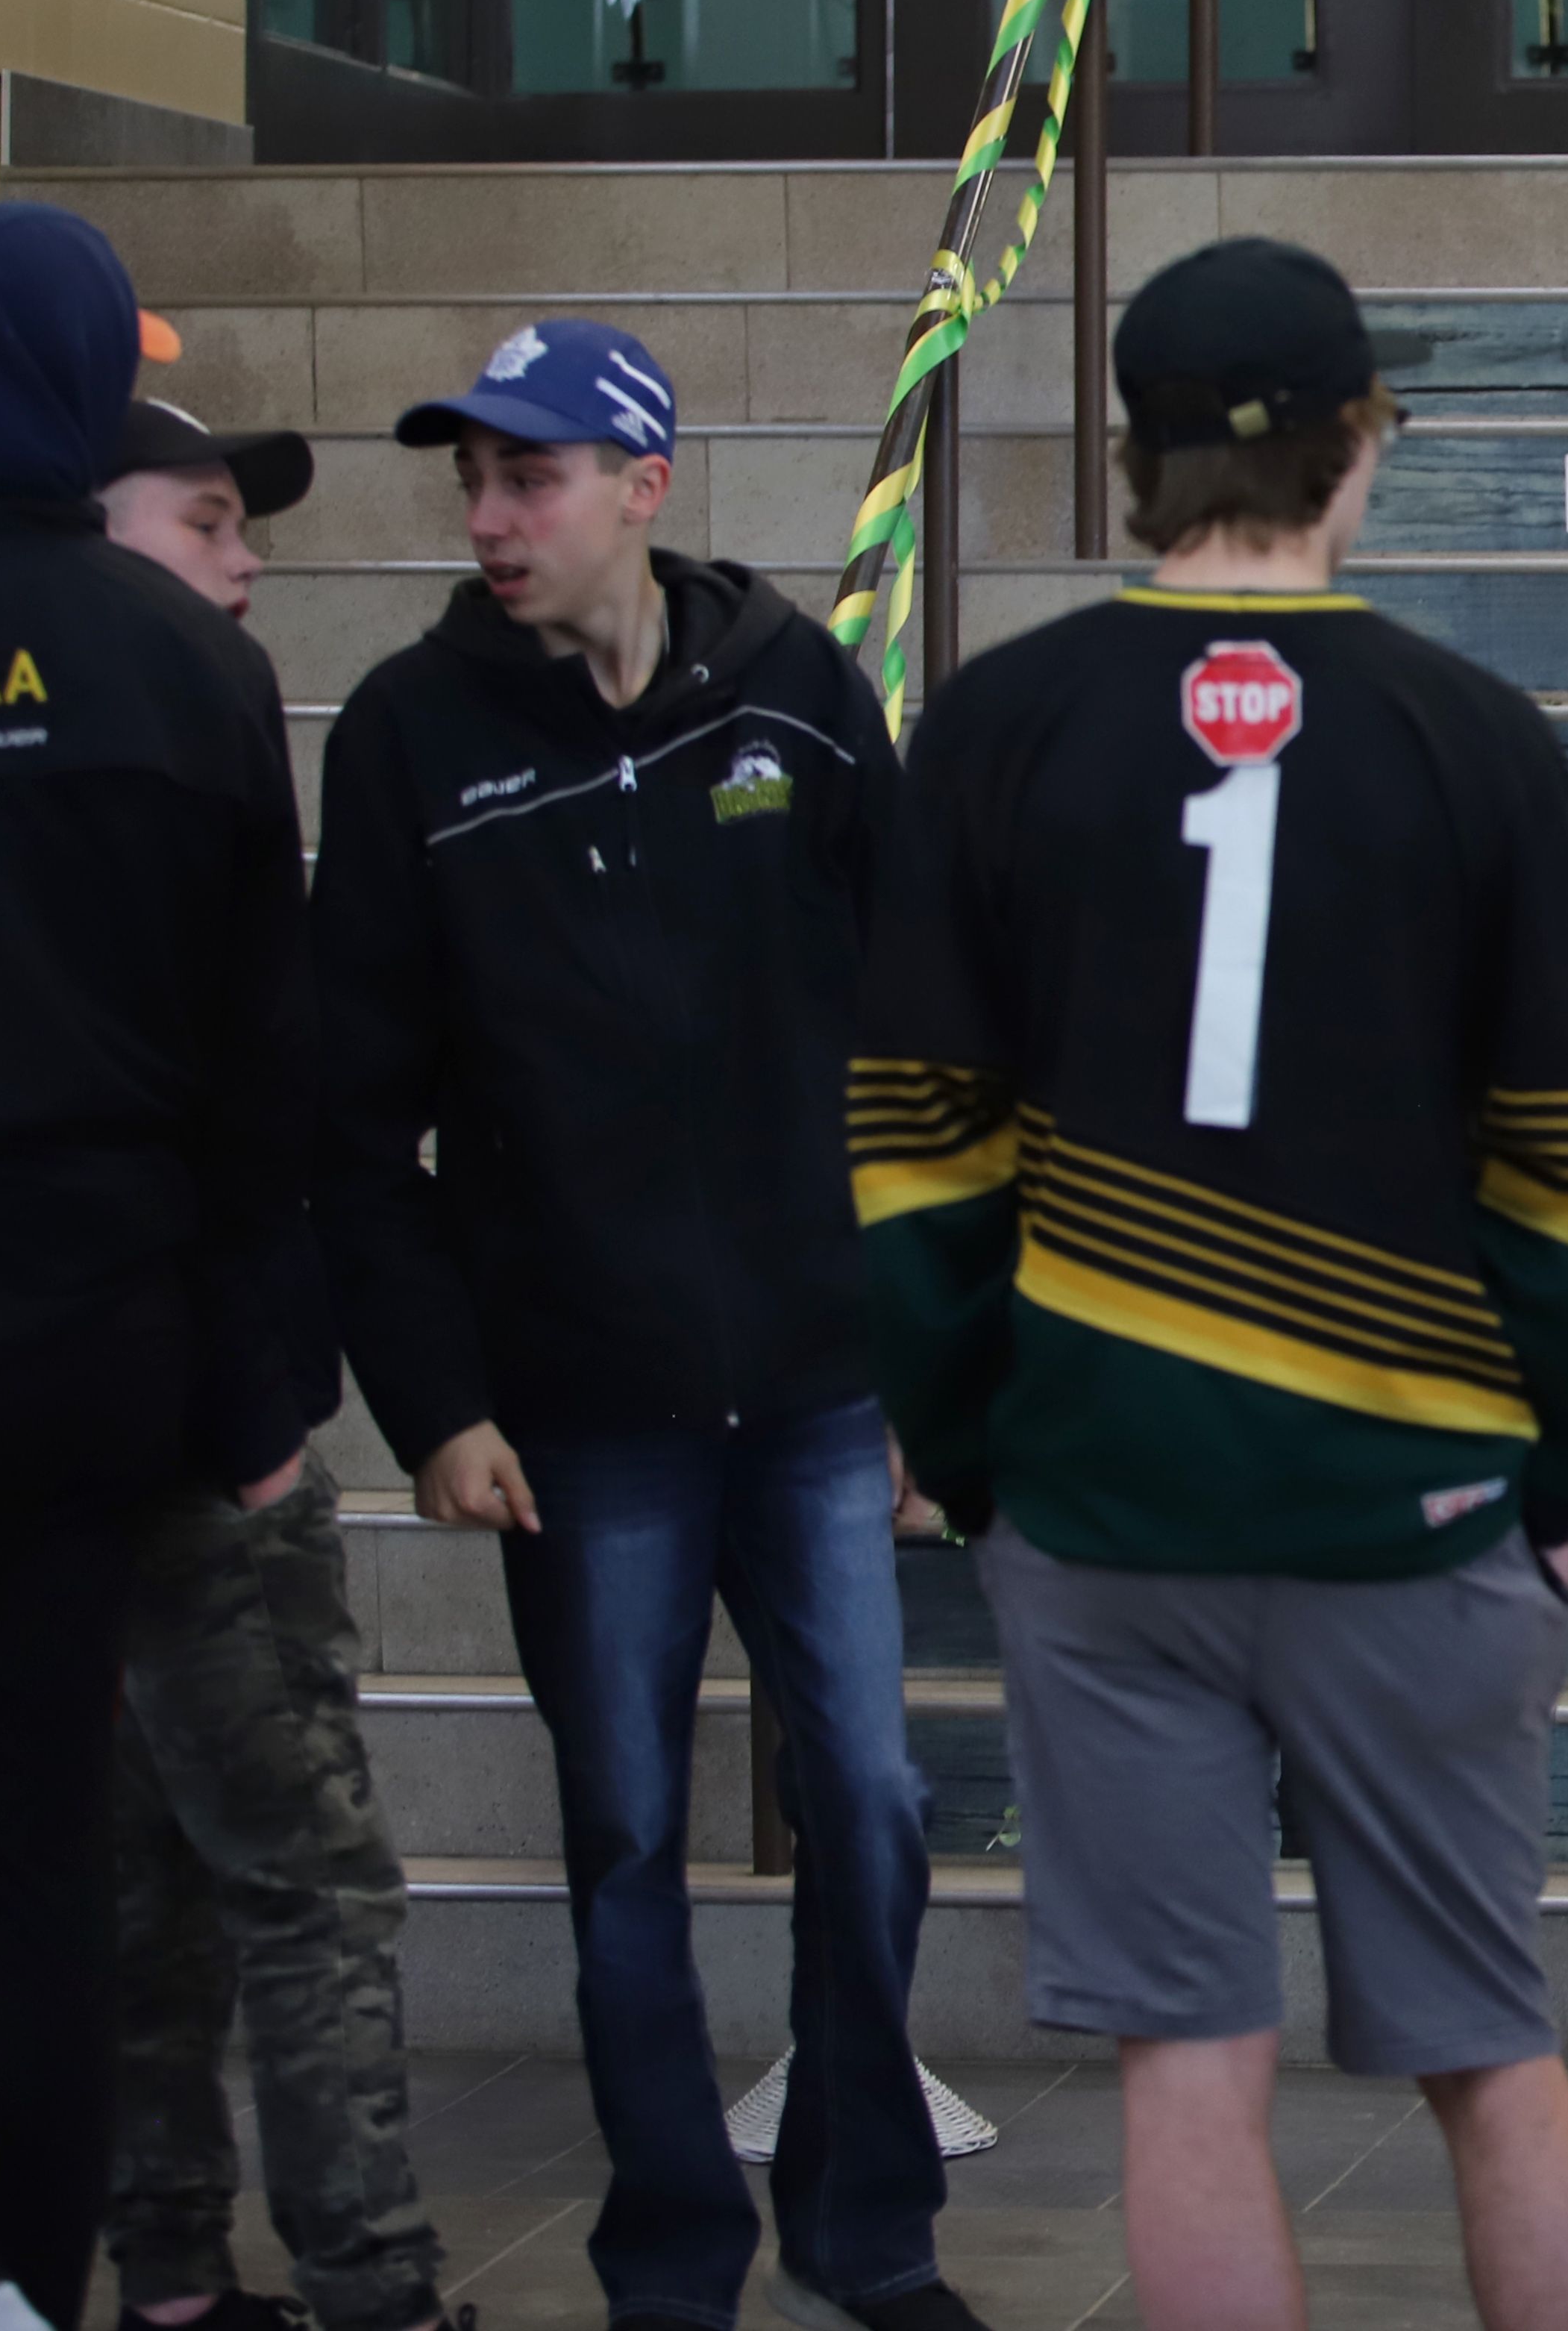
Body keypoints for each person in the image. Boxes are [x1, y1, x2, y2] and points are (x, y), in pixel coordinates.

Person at [853, 237, 1568, 2331]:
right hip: (1415, 1506)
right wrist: (1555, 1483)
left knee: (1186, 2074)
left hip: (1106, 1504)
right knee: (1493, 2048)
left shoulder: (1000, 728)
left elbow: (917, 1161)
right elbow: (1565, 1177)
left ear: (1133, 458)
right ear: (1360, 441)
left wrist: (970, 1448)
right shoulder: (1480, 740)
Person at [310, 319, 984, 2331]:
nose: (490, 517)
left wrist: (937, 1374)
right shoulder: (411, 734)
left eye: (530, 478)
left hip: (810, 1386)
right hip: (576, 1408)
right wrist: (431, 1405)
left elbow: (930, 1037)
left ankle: (867, 2234)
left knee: (867, 1805)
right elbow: (352, 1115)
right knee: (622, 1844)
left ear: (641, 489)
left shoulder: (794, 694)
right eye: (472, 482)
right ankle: (670, 2261)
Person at [0, 207, 323, 2331]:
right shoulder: (195, 668)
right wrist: (260, 1386)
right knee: (36, 1856)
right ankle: (25, 2287)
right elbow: (260, 1072)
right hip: (103, 1356)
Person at [89, 398, 467, 2331]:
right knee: (304, 1887)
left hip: (83, 1426)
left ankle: (167, 2273)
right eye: (210, 522)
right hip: (190, 1428)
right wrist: (252, 1423)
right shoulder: (160, 757)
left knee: (145, 1896)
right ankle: (370, 2288)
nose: (249, 567)